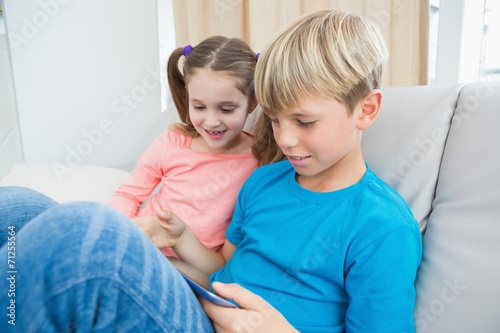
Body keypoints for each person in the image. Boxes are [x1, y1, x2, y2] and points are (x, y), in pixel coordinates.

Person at [0, 9, 422, 333]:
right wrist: (180, 238)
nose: (285, 139)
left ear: (365, 109)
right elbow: (221, 270)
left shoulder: (382, 227)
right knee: (18, 205)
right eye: (274, 120)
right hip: (200, 304)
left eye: (304, 122)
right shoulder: (264, 181)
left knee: (85, 232)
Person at [109, 36, 259, 257]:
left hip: (191, 270)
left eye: (226, 109)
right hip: (142, 248)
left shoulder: (260, 158)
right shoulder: (172, 141)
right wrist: (121, 234)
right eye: (199, 106)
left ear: (252, 103)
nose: (211, 121)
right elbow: (129, 195)